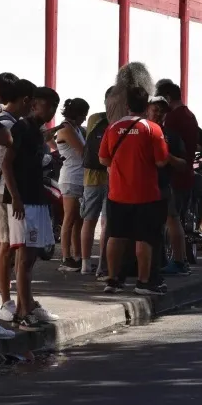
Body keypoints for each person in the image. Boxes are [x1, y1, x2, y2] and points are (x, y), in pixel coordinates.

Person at [99, 86, 171, 296]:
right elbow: (161, 161)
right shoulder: (152, 129)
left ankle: (112, 280)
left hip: (117, 193)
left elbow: (103, 159)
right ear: (147, 105)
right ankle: (144, 281)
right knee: (145, 238)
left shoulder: (113, 127)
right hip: (146, 194)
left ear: (127, 105)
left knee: (116, 236)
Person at [4, 87, 64, 328]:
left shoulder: (38, 132)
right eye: (48, 106)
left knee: (31, 258)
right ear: (34, 104)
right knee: (24, 257)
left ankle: (26, 305)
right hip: (23, 201)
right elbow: (7, 165)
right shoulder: (21, 128)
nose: (51, 111)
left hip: (37, 198)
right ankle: (22, 311)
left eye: (54, 107)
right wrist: (15, 197)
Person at [0, 75, 31, 320]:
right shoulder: (7, 124)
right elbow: (6, 163)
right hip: (4, 191)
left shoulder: (8, 121)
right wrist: (15, 196)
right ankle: (5, 301)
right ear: (25, 100)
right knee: (6, 247)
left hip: (5, 191)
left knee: (3, 246)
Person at [158, 80, 199, 276]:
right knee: (176, 219)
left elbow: (168, 146)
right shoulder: (189, 114)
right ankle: (179, 258)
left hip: (175, 174)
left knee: (172, 219)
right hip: (187, 171)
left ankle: (178, 260)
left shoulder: (173, 118)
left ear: (167, 97)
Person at [54, 98, 90, 273]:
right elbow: (83, 151)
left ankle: (77, 255)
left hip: (78, 177)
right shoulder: (67, 128)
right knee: (69, 218)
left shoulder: (75, 128)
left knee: (78, 220)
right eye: (83, 115)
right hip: (71, 178)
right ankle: (66, 257)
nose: (84, 118)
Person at [80, 92, 113, 281]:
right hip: (111, 178)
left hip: (90, 177)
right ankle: (102, 265)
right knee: (106, 222)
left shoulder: (94, 119)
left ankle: (85, 264)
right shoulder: (118, 123)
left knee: (88, 220)